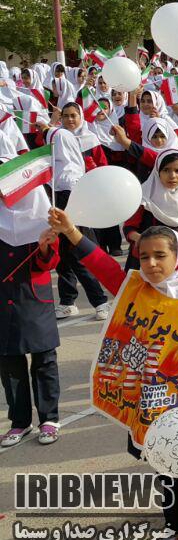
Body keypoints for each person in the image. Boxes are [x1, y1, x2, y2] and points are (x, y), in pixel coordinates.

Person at [48, 211, 178, 540]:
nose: (152, 263)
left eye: (161, 255)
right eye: (145, 256)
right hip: (147, 397)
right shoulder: (136, 291)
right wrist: (71, 231)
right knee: (161, 461)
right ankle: (172, 523)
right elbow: (104, 267)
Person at [0, 147, 61, 447]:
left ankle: (49, 418)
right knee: (9, 362)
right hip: (2, 300)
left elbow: (49, 264)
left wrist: (46, 246)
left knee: (44, 359)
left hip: (34, 297)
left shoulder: (41, 217)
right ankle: (19, 422)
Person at [48, 111, 113, 320]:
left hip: (75, 221)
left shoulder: (72, 171)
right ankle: (67, 301)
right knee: (62, 259)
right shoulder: (53, 170)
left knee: (79, 258)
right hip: (58, 217)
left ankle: (100, 301)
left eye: (54, 144)